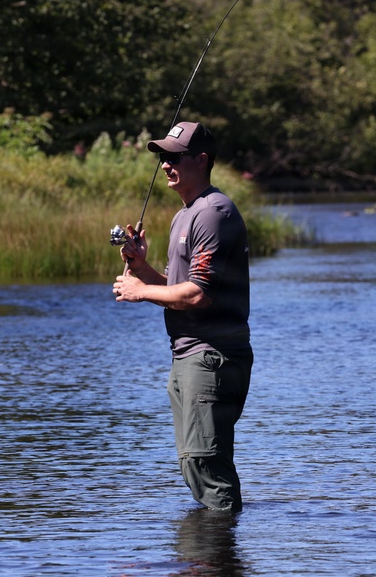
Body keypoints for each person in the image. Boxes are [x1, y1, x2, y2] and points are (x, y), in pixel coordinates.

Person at [112, 121, 252, 512]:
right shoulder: (184, 216)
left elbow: (197, 294)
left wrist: (140, 292)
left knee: (205, 463)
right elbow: (177, 286)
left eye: (175, 157)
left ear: (201, 160)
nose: (166, 165)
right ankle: (207, 560)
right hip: (188, 356)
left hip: (212, 357)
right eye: (162, 158)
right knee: (195, 464)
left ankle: (218, 560)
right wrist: (141, 267)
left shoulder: (213, 212)